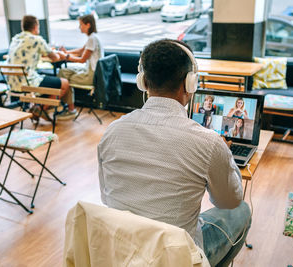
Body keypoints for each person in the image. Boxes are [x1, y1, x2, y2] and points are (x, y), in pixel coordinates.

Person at [98, 39, 251, 267]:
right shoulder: (208, 142)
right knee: (242, 211)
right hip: (177, 258)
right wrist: (225, 157)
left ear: (143, 81)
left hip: (122, 252)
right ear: (190, 83)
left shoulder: (112, 132)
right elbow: (229, 201)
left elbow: (106, 195)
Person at [6, 15, 76, 121]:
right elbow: (55, 58)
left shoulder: (15, 39)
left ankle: (38, 108)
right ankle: (40, 109)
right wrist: (61, 54)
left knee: (45, 79)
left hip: (12, 83)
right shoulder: (37, 40)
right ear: (35, 27)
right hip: (27, 83)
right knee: (65, 83)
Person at [58, 14, 103, 107]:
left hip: (91, 76)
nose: (79, 27)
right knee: (63, 71)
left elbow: (82, 59)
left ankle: (67, 107)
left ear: (88, 25)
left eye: (81, 24)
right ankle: (66, 106)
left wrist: (66, 56)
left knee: (64, 79)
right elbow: (80, 51)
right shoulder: (92, 37)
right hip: (92, 72)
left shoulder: (92, 39)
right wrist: (66, 52)